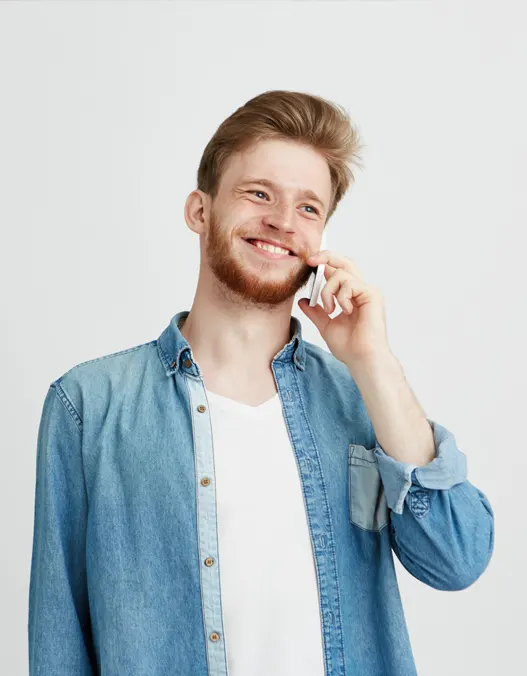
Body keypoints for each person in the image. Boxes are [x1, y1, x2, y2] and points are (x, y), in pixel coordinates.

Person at [28, 90, 494, 676]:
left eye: (308, 208)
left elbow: (457, 560)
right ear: (200, 211)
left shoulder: (362, 397)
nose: (281, 221)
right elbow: (58, 636)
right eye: (258, 193)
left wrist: (373, 361)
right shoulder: (88, 406)